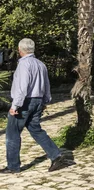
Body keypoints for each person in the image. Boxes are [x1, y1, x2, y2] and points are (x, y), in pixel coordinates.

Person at [1, 38, 67, 174]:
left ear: (20, 50)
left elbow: (22, 87)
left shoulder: (24, 65)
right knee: (36, 130)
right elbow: (46, 85)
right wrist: (45, 101)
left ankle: (13, 166)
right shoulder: (40, 64)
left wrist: (15, 106)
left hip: (25, 102)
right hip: (37, 101)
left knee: (12, 133)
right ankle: (56, 155)